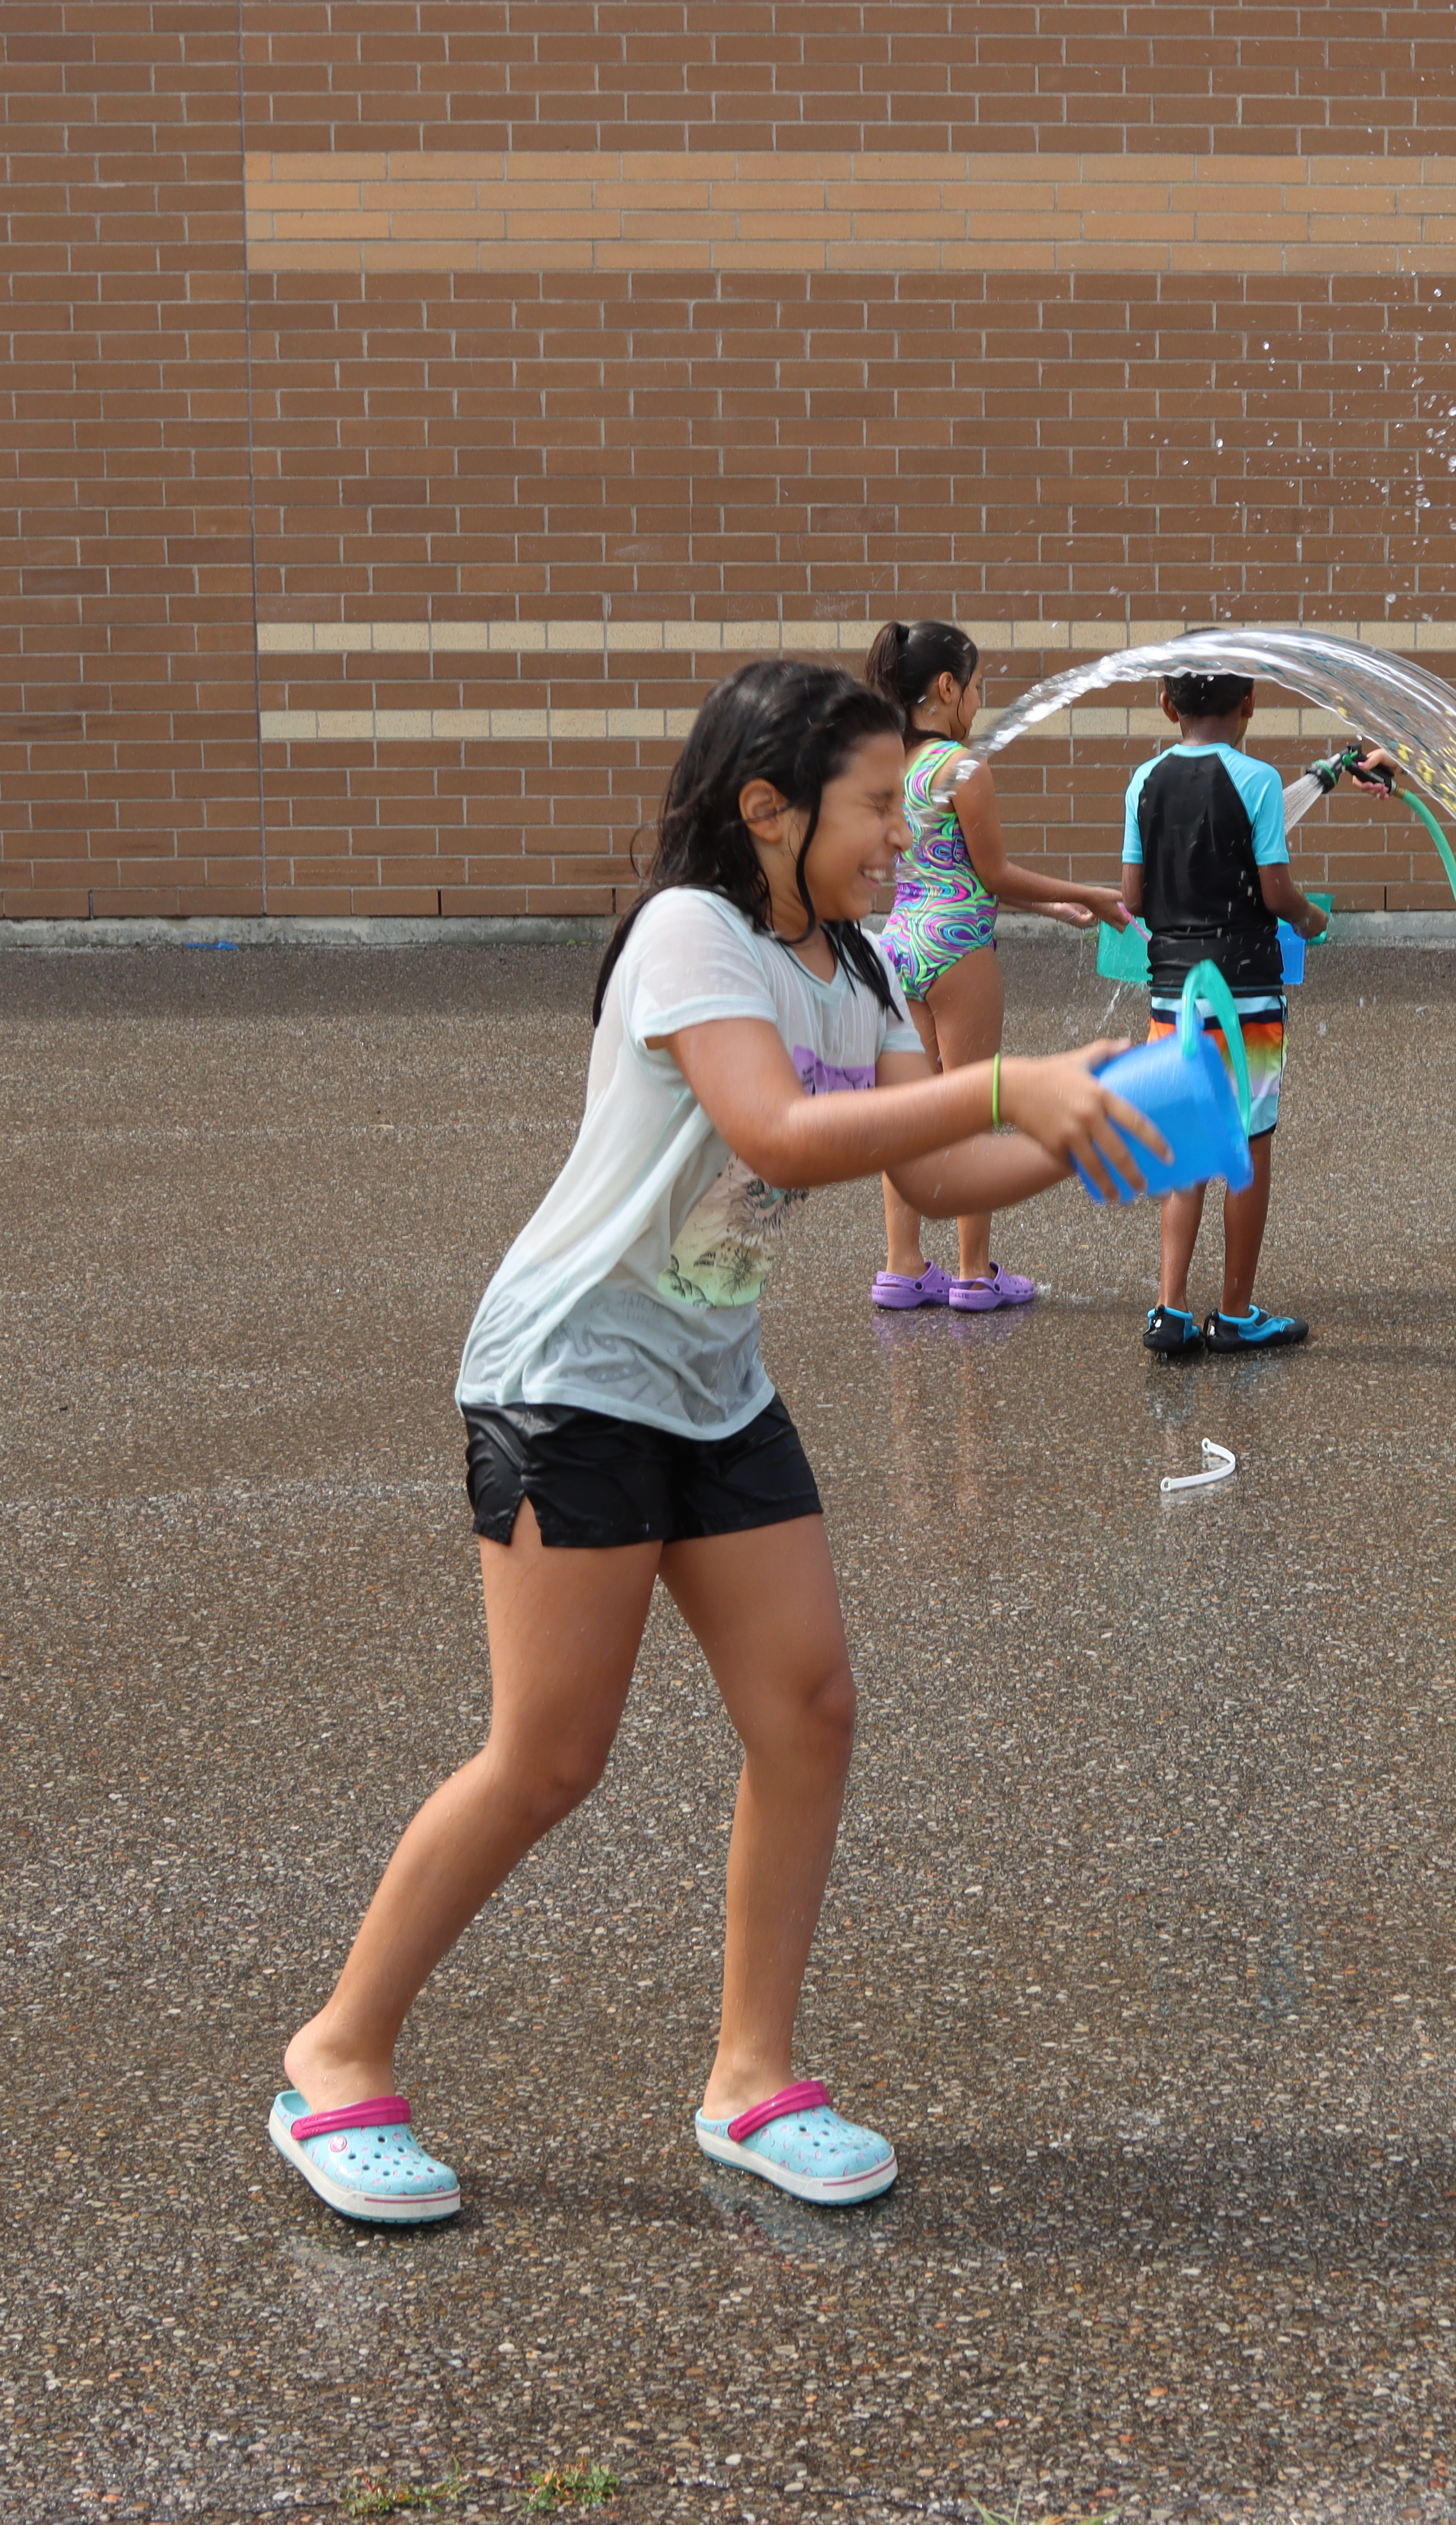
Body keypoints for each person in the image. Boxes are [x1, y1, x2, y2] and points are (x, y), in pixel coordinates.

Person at [270, 660, 1165, 2222]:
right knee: (550, 1758)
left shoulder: (863, 975)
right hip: (571, 1380)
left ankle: (751, 2077)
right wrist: (1012, 1079)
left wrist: (1125, 1113)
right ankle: (337, 2057)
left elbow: (940, 1178)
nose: (903, 833)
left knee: (810, 1708)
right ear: (770, 809)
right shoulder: (694, 936)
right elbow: (776, 1133)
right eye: (878, 805)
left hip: (713, 1381)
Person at [861, 620, 1130, 1316]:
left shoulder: (890, 767)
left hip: (900, 947)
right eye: (978, 686)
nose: (982, 701)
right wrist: (1088, 895)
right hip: (959, 955)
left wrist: (1052, 911)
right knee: (973, 1109)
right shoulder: (964, 768)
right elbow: (995, 869)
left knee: (910, 1113)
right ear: (946, 688)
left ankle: (901, 1267)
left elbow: (953, 872)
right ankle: (974, 1273)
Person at [1115, 660, 1372, 1359]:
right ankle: (1233, 1313)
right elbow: (1277, 890)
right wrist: (1315, 919)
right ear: (1251, 704)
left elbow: (1133, 896)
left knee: (1184, 1149)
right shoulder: (1255, 780)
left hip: (1172, 993)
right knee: (1248, 1149)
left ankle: (1171, 1309)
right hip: (1247, 994)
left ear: (1167, 705)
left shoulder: (1144, 779)